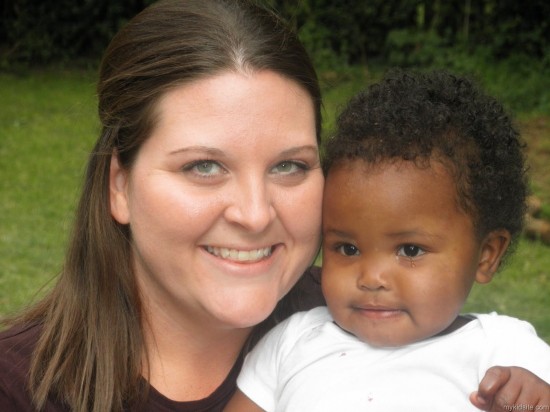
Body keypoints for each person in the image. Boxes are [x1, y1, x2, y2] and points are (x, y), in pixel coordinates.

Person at [0, 0, 326, 411]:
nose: (255, 213)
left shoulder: (393, 326)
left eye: (288, 165)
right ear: (119, 186)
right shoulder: (17, 391)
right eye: (204, 167)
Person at [224, 70, 550, 412]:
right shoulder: (292, 343)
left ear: (486, 255)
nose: (371, 278)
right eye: (347, 248)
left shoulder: (508, 354)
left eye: (410, 250)